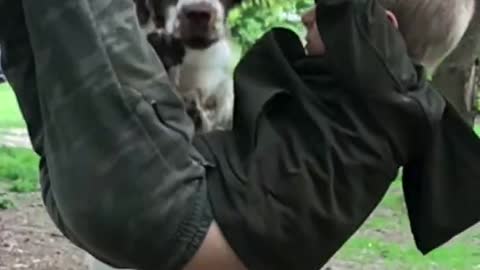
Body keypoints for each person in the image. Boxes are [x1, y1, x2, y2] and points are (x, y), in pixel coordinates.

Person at [1, 0, 479, 270]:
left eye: (325, 12)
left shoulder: (385, 90)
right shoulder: (381, 114)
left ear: (376, 30)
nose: (308, 15)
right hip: (125, 209)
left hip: (165, 211)